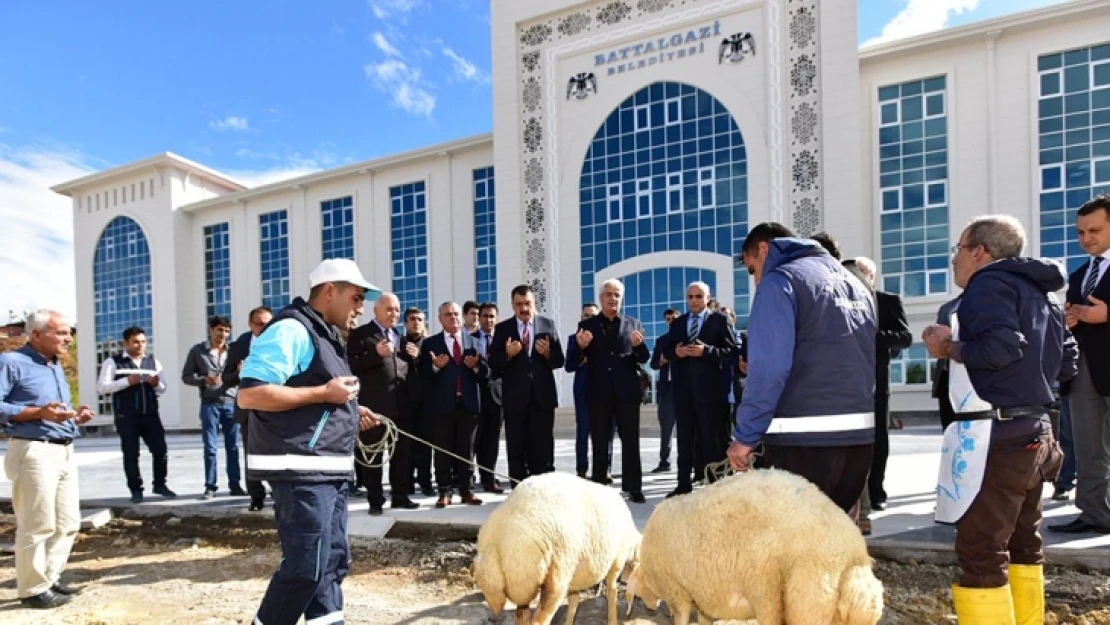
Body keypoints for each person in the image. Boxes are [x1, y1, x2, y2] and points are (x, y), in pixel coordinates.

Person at [922, 215, 1067, 624]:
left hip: (996, 433)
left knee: (982, 549)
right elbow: (1068, 361)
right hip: (1037, 430)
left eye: (958, 250)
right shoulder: (1042, 293)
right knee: (1024, 543)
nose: (954, 261)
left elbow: (1001, 348)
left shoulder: (986, 285)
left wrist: (947, 346)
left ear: (979, 252)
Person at [237, 258, 383, 625]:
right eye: (356, 297)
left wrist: (350, 409)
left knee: (331, 563)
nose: (360, 308)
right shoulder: (292, 329)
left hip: (326, 470)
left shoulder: (327, 336)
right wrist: (325, 394)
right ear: (330, 291)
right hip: (300, 470)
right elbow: (250, 395)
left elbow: (318, 394)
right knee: (306, 568)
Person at [728, 223, 877, 516]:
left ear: (763, 249)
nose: (756, 280)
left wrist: (745, 437)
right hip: (859, 442)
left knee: (795, 549)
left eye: (752, 268)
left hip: (803, 443)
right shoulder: (856, 283)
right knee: (834, 543)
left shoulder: (780, 281)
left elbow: (769, 369)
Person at [0, 310, 94, 609]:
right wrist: (38, 413)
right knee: (37, 523)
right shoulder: (11, 363)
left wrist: (74, 417)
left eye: (69, 333)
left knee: (67, 522)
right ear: (37, 334)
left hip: (63, 448)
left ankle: (49, 578)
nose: (68, 338)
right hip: (33, 451)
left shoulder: (54, 367)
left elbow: (51, 410)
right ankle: (32, 589)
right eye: (62, 333)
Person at [1052, 195, 1110, 535]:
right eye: (1080, 232)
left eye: (1095, 230)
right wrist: (1070, 319)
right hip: (1084, 370)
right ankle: (1094, 514)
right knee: (1088, 447)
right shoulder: (1077, 274)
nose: (1086, 238)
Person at [844, 256, 913, 511]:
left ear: (870, 276)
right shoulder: (842, 304)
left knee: (878, 441)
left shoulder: (887, 301)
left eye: (860, 274)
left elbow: (904, 337)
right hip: (846, 384)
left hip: (876, 383)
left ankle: (876, 492)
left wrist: (871, 336)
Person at [573, 278, 649, 503]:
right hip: (599, 392)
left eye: (616, 294)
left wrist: (638, 346)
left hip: (627, 392)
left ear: (621, 298)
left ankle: (634, 487)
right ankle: (599, 487)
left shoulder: (633, 324)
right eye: (608, 294)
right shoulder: (586, 326)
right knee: (599, 440)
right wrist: (581, 347)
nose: (612, 298)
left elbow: (644, 358)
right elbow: (574, 361)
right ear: (601, 297)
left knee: (631, 442)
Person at [348, 293, 420, 515]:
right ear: (376, 311)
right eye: (389, 309)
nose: (394, 314)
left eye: (397, 310)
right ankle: (375, 500)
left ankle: (400, 496)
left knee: (401, 456)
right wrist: (375, 354)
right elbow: (351, 365)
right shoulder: (361, 335)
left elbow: (407, 369)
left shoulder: (401, 336)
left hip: (402, 406)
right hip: (374, 408)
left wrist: (416, 357)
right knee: (374, 457)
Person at [664, 281, 738, 497]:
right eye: (691, 297)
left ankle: (717, 486)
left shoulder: (719, 320)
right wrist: (676, 352)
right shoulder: (678, 323)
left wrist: (705, 351)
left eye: (699, 296)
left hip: (710, 393)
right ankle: (683, 484)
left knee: (711, 441)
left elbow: (731, 352)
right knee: (684, 441)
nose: (694, 300)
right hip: (683, 393)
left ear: (707, 297)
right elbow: (666, 351)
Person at [488, 284, 565, 485]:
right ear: (512, 305)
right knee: (516, 447)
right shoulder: (503, 328)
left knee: (543, 447)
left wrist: (548, 353)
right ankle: (519, 490)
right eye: (519, 304)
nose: (523, 308)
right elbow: (493, 364)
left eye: (527, 303)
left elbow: (559, 361)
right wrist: (507, 355)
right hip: (515, 399)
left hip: (542, 398)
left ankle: (543, 489)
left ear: (535, 303)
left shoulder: (548, 325)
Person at [420, 302, 490, 508]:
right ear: (440, 319)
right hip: (442, 406)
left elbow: (487, 374)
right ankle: (444, 491)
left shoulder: (475, 342)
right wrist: (434, 366)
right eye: (448, 315)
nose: (453, 318)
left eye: (456, 314)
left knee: (466, 451)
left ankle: (467, 490)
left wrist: (477, 366)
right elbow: (422, 376)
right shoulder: (430, 344)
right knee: (443, 451)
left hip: (468, 405)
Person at [96, 325, 175, 504]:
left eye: (143, 342)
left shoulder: (153, 362)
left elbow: (163, 388)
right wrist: (126, 381)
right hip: (127, 416)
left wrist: (156, 384)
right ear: (126, 343)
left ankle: (160, 484)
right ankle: (136, 490)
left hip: (151, 415)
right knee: (131, 454)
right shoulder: (113, 362)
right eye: (135, 342)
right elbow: (102, 387)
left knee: (160, 451)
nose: (140, 346)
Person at [181, 315, 243, 499]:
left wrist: (241, 372)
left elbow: (243, 376)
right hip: (210, 404)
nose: (223, 334)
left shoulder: (234, 351)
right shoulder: (198, 351)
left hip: (232, 403)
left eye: (226, 331)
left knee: (233, 447)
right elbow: (186, 376)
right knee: (210, 447)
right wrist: (203, 380)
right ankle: (210, 486)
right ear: (211, 330)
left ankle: (235, 485)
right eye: (219, 330)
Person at [223, 306, 274, 511]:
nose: (264, 328)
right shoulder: (239, 346)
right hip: (248, 408)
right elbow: (226, 378)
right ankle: (256, 497)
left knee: (276, 452)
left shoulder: (281, 342)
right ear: (250, 324)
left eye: (269, 324)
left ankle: (279, 493)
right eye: (260, 324)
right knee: (251, 454)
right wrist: (239, 373)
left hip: (274, 405)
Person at [399, 307, 435, 496]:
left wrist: (419, 357)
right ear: (405, 323)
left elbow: (433, 373)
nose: (416, 322)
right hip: (404, 403)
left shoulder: (431, 345)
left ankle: (426, 482)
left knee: (425, 446)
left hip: (426, 403)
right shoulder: (398, 344)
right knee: (405, 447)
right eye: (412, 319)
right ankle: (407, 484)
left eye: (420, 319)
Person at [472, 302, 505, 494]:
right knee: (474, 440)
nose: (488, 320)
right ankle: (468, 478)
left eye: (492, 316)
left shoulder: (503, 339)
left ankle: (489, 478)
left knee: (492, 441)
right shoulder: (469, 338)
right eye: (485, 316)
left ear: (497, 318)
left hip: (497, 397)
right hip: (475, 396)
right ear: (479, 318)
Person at [649, 308, 680, 473]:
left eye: (674, 318)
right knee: (666, 429)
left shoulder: (686, 339)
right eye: (669, 319)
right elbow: (653, 364)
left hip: (683, 390)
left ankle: (687, 462)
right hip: (666, 391)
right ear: (665, 321)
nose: (672, 321)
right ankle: (664, 462)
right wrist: (662, 359)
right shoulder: (661, 341)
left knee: (686, 430)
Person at [931, 296, 961, 432]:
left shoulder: (989, 301)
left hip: (972, 379)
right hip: (946, 378)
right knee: (949, 431)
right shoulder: (947, 309)